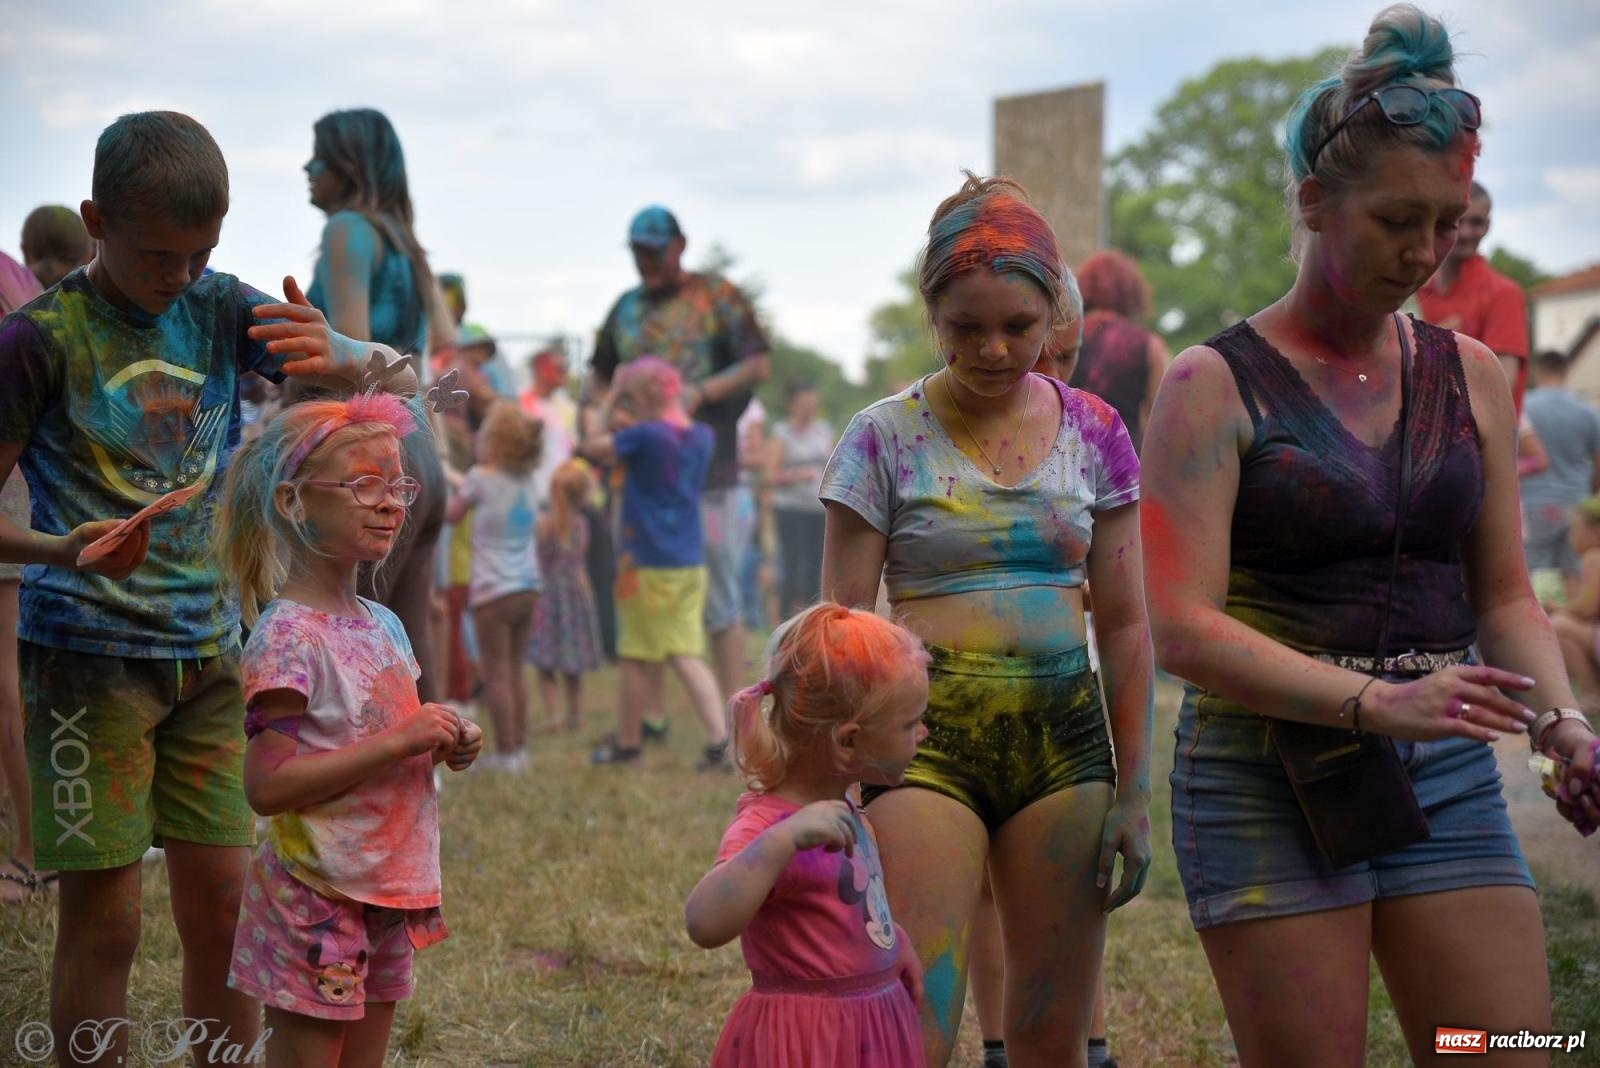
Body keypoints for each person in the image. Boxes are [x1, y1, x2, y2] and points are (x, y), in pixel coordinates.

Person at [1139, 8, 1600, 1064]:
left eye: (1447, 223)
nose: (1424, 253)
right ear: (1313, 201)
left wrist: (1563, 724)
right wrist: (1377, 700)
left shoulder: (1470, 376)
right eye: (1396, 219)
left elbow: (1503, 598)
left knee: (1504, 1050)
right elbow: (1182, 628)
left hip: (1442, 772)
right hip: (1266, 775)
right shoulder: (1211, 387)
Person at [0, 110, 417, 1065]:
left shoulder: (224, 307)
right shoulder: (38, 340)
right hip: (86, 664)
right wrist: (62, 550)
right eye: (158, 255)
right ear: (95, 221)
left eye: (202, 254)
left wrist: (341, 351)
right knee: (105, 922)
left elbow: (400, 382)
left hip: (215, 657)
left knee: (225, 913)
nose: (181, 276)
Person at [821, 173, 1154, 1068]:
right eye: (966, 327)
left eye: (1018, 325)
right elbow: (841, 626)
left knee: (1051, 1033)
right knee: (917, 1023)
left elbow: (1126, 626)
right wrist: (828, 783)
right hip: (923, 744)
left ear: (1056, 314)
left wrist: (1135, 790)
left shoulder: (1097, 432)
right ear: (932, 313)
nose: (995, 349)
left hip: (1064, 745)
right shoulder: (882, 437)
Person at [214, 392, 481, 1062]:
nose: (391, 503)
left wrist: (442, 741)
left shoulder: (383, 623)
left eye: (399, 486)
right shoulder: (287, 639)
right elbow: (267, 787)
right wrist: (399, 741)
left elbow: (376, 738)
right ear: (292, 502)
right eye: (365, 484)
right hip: (316, 896)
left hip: (385, 890)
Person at [684, 603, 930, 1068]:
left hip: (867, 1031)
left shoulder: (847, 804)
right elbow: (704, 922)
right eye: (908, 723)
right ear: (848, 740)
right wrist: (780, 842)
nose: (924, 732)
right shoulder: (769, 825)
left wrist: (891, 942)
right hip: (807, 1042)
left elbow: (845, 910)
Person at [589, 205, 771, 714]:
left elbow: (758, 363)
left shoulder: (717, 296)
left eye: (654, 251)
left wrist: (700, 391)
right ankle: (650, 719)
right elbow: (600, 373)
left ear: (680, 246)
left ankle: (735, 716)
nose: (645, 261)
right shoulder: (625, 307)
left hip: (710, 476)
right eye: (637, 252)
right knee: (642, 600)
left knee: (720, 600)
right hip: (639, 487)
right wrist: (605, 408)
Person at [301, 106, 451, 705]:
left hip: (374, 451)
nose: (308, 168)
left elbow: (353, 358)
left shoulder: (346, 230)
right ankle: (438, 751)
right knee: (410, 644)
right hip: (421, 455)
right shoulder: (407, 246)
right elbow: (430, 362)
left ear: (348, 165)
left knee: (356, 642)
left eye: (319, 157)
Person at [583, 357, 729, 767]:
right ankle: (717, 743)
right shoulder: (702, 437)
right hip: (688, 559)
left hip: (646, 561)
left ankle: (633, 745)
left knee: (640, 654)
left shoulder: (645, 436)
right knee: (682, 650)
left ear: (647, 394)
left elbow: (591, 445)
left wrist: (612, 395)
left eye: (633, 396)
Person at [445, 401, 543, 771]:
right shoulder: (528, 481)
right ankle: (520, 749)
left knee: (496, 672)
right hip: (527, 586)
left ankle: (505, 755)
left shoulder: (479, 478)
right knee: (515, 671)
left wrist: (442, 479)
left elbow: (452, 514)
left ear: (494, 441)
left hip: (493, 590)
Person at [0, 253, 43, 903]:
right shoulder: (14, 272)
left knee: (6, 678)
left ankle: (36, 856)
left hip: (8, 491)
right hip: (21, 485)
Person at [1415, 180, 1531, 412]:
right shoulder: (1413, 292)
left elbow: (1497, 392)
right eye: (1458, 220)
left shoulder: (1503, 294)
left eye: (1476, 222)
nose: (1466, 232)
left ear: (1487, 226)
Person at [529, 459, 605, 733]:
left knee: (546, 664)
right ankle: (577, 716)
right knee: (574, 666)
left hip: (548, 599)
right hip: (576, 598)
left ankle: (554, 718)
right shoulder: (582, 524)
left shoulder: (544, 525)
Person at [1068, 249, 1169, 452]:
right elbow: (1160, 423)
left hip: (1066, 454)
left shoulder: (1066, 333)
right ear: (1131, 292)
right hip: (1122, 458)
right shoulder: (1150, 345)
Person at [1521, 351, 1600, 594]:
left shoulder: (1524, 407)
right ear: (1566, 372)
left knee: (1535, 576)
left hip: (1535, 505)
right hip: (1576, 505)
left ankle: (1541, 618)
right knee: (1574, 576)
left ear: (1537, 371)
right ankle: (1568, 618)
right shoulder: (1587, 411)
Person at [766, 381, 835, 619]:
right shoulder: (781, 433)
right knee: (791, 565)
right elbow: (769, 476)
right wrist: (796, 476)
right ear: (792, 405)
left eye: (812, 403)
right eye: (804, 403)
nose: (809, 408)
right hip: (789, 509)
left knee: (816, 567)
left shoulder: (824, 430)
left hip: (818, 509)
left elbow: (834, 466)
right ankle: (785, 621)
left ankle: (811, 622)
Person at [1550, 498, 1600, 714]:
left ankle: (1591, 694)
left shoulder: (1594, 557)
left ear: (1596, 533)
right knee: (1565, 636)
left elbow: (1587, 607)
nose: (1571, 538)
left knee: (1557, 624)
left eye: (1574, 531)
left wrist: (1558, 609)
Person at [20, 205, 92, 291]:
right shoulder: (97, 296)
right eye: (40, 255)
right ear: (86, 258)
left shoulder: (10, 289)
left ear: (25, 252)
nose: (53, 271)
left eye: (68, 259)